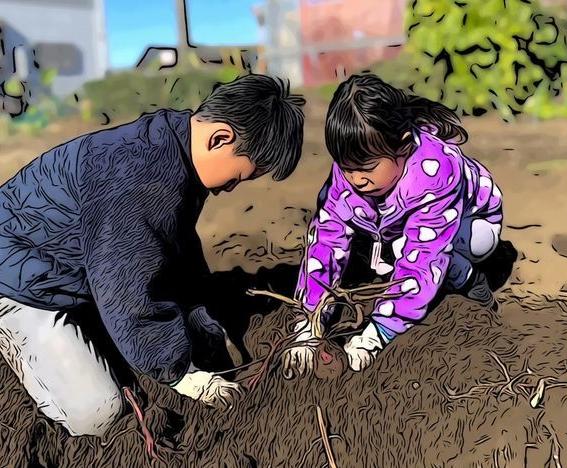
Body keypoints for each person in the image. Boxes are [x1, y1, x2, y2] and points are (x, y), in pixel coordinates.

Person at [0, 74, 305, 436]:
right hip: (21, 280)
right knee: (96, 415)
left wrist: (197, 316)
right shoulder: (140, 176)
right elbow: (123, 283)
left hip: (70, 264)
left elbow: (170, 246)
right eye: (239, 177)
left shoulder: (173, 145)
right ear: (221, 138)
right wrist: (181, 373)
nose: (231, 190)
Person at [283, 74, 502, 377]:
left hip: (473, 222)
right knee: (389, 249)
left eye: (367, 168)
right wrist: (310, 323)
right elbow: (327, 240)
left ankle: (466, 276)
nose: (356, 179)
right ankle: (423, 260)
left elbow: (423, 258)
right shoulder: (351, 172)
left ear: (403, 146)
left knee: (415, 253)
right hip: (400, 218)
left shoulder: (436, 172)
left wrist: (376, 335)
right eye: (346, 168)